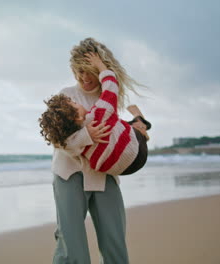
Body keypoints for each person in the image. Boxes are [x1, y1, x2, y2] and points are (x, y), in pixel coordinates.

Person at [42, 38, 146, 264]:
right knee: (72, 244)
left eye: (89, 70)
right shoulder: (66, 95)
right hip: (69, 175)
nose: (84, 77)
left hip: (104, 175)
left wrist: (134, 128)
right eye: (79, 71)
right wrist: (87, 135)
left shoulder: (108, 97)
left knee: (114, 240)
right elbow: (57, 139)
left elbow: (114, 133)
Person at [39, 53, 151, 176]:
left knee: (114, 125)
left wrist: (85, 136)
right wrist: (101, 66)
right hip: (137, 152)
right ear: (78, 117)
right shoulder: (98, 114)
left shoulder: (70, 139)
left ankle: (138, 123)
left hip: (119, 169)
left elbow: (61, 141)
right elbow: (111, 86)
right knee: (119, 125)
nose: (85, 77)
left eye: (90, 72)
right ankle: (139, 122)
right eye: (75, 103)